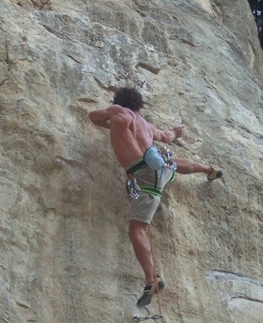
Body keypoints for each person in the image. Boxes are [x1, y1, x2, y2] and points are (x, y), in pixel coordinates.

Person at [88, 87, 222, 306]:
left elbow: (93, 117)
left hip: (143, 174)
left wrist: (111, 121)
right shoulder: (147, 126)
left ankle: (151, 281)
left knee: (137, 229)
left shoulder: (119, 112)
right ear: (139, 106)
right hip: (159, 172)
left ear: (118, 102)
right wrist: (177, 132)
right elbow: (168, 136)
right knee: (172, 162)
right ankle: (209, 170)